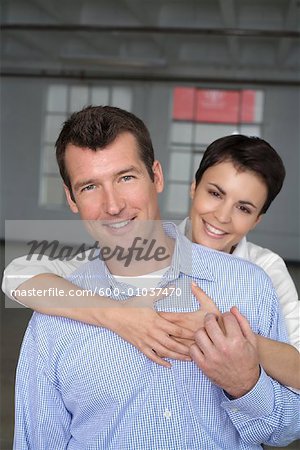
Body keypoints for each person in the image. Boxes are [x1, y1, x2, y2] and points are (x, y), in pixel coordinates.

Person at [10, 106, 299, 448]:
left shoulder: (253, 282)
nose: (113, 205)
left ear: (157, 177)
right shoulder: (56, 315)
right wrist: (118, 315)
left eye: (126, 177)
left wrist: (244, 380)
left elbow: (286, 431)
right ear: (71, 199)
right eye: (89, 187)